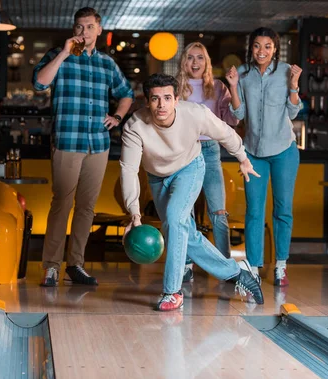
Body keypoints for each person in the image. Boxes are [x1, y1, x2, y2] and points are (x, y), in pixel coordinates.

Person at [120, 73, 264, 311]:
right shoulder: (135, 126)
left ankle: (172, 292)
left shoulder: (195, 113)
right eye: (155, 99)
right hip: (157, 177)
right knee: (185, 232)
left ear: (176, 99)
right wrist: (134, 215)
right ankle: (238, 272)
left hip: (189, 168)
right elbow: (128, 170)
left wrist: (243, 157)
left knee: (176, 220)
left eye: (167, 98)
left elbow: (226, 133)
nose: (161, 104)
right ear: (147, 101)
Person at [32, 7, 134, 287]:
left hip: (98, 143)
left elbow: (127, 94)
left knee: (86, 208)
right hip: (67, 140)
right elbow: (40, 84)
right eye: (79, 27)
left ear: (99, 30)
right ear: (73, 29)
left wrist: (117, 117)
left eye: (89, 27)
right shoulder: (57, 55)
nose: (83, 32)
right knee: (61, 204)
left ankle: (75, 264)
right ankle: (51, 266)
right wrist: (65, 52)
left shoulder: (106, 64)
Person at [226, 27, 302, 287]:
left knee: (282, 209)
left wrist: (293, 86)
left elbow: (292, 112)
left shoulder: (285, 72)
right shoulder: (244, 74)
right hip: (253, 153)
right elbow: (238, 114)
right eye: (257, 46)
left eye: (267, 46)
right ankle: (254, 267)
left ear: (275, 48)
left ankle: (281, 265)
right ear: (251, 48)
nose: (261, 51)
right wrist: (234, 86)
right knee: (254, 211)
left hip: (284, 151)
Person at [176, 42, 239, 283]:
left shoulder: (218, 87)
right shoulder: (177, 87)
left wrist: (233, 88)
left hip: (211, 150)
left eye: (200, 58)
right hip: (185, 150)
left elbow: (232, 120)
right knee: (185, 212)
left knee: (219, 212)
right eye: (190, 57)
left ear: (206, 62)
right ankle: (186, 264)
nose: (195, 63)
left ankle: (225, 267)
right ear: (184, 62)